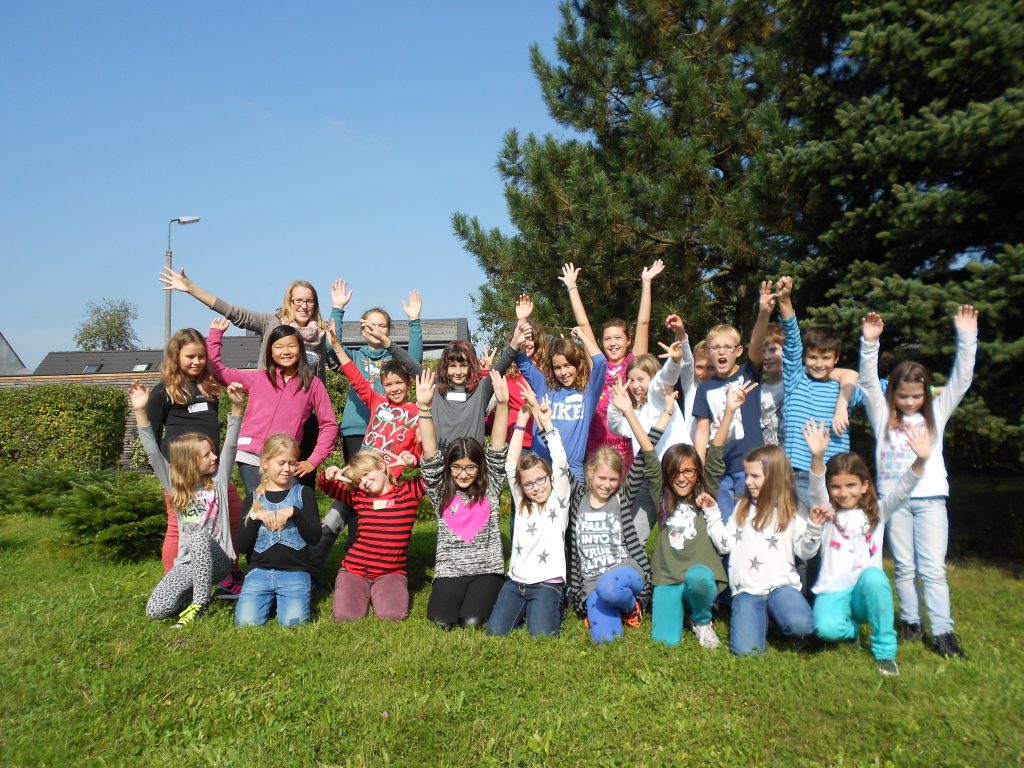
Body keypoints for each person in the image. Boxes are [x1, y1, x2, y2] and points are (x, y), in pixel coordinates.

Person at [859, 306, 978, 658]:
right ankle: (911, 623)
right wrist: (870, 343)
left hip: (930, 500)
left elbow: (962, 380)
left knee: (933, 569)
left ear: (926, 395)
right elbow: (868, 381)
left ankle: (943, 632)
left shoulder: (936, 415)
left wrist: (967, 336)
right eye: (903, 396)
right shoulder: (882, 415)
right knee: (904, 567)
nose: (910, 402)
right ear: (892, 394)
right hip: (894, 502)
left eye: (916, 396)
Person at [160, 267, 338, 483]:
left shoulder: (320, 336)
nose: (303, 305)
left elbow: (338, 358)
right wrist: (191, 289)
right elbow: (233, 313)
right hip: (256, 441)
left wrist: (338, 308)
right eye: (298, 300)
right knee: (259, 499)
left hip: (301, 426)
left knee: (299, 493)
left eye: (309, 301)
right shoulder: (270, 328)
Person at [804, 420, 931, 676]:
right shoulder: (827, 513)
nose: (843, 492)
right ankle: (850, 630)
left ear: (864, 486)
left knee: (875, 577)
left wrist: (921, 460)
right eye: (836, 486)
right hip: (834, 589)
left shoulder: (879, 512)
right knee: (826, 629)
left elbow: (903, 490)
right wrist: (817, 457)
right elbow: (816, 489)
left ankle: (885, 653)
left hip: (865, 592)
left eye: (850, 485)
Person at [702, 385, 820, 656]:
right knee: (747, 651)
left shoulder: (791, 510)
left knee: (802, 624)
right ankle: (759, 619)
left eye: (755, 476)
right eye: (747, 475)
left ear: (774, 477)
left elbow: (805, 551)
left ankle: (781, 617)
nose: (748, 482)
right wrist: (712, 512)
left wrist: (814, 527)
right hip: (748, 592)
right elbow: (724, 544)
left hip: (782, 587)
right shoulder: (742, 509)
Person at [130, 379, 244, 629]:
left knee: (199, 538)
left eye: (213, 452)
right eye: (207, 454)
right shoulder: (175, 485)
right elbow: (152, 452)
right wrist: (140, 411)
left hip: (220, 559)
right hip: (188, 563)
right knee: (156, 610)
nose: (214, 456)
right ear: (191, 461)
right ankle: (191, 596)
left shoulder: (219, 481)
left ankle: (200, 606)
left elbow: (231, 445)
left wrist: (236, 408)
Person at [567, 381, 673, 644]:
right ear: (590, 473)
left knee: (610, 588)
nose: (607, 485)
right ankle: (611, 609)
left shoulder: (621, 498)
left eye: (613, 479)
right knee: (606, 640)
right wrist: (544, 423)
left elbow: (645, 455)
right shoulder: (578, 498)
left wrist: (658, 414)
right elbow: (560, 463)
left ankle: (631, 607)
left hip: (626, 572)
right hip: (593, 582)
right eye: (602, 478)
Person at [145, 328, 242, 582]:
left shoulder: (209, 387)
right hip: (182, 473)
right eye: (190, 356)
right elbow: (152, 435)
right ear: (175, 356)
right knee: (179, 526)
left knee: (233, 516)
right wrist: (170, 470)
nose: (197, 361)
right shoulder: (163, 391)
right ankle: (174, 581)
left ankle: (228, 576)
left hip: (212, 468)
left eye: (201, 356)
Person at [417, 369, 510, 630]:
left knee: (471, 621)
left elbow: (497, 448)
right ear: (449, 468)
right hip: (450, 571)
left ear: (480, 468)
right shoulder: (441, 490)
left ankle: (498, 591)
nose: (463, 474)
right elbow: (430, 454)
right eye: (457, 468)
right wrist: (425, 408)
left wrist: (503, 405)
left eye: (470, 468)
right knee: (441, 621)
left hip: (487, 571)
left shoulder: (491, 486)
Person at [206, 318, 338, 495]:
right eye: (279, 347)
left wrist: (313, 461)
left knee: (286, 505)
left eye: (291, 346)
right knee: (259, 502)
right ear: (271, 352)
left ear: (300, 349)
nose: (286, 351)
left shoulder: (313, 385)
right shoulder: (258, 378)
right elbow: (218, 372)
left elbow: (329, 425)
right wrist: (216, 335)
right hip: (249, 455)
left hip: (284, 459)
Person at [558, 260, 665, 468]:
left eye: (618, 338)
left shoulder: (634, 364)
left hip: (628, 447)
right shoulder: (598, 365)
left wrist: (646, 282)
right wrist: (572, 287)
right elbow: (583, 325)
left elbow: (643, 322)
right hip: (596, 447)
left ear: (628, 340)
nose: (613, 343)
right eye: (607, 339)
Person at [487, 383, 572, 638]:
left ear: (550, 478)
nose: (536, 487)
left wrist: (546, 424)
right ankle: (526, 608)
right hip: (516, 582)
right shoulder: (522, 500)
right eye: (529, 484)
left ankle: (554, 605)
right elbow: (511, 464)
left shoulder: (558, 499)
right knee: (495, 633)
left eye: (541, 480)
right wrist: (521, 422)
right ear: (522, 487)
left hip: (547, 584)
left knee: (542, 637)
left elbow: (561, 462)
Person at [774, 275, 862, 513]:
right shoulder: (796, 379)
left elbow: (887, 389)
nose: (819, 364)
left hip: (837, 475)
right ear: (805, 358)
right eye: (813, 357)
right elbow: (792, 339)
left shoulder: (845, 389)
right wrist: (785, 300)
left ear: (836, 358)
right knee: (804, 532)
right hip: (798, 473)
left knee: (834, 531)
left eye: (826, 358)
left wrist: (933, 390)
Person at [691, 281, 773, 522]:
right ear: (709, 352)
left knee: (755, 523)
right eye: (716, 347)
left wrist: (764, 313)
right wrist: (699, 471)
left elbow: (757, 344)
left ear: (738, 351)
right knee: (726, 526)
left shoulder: (748, 373)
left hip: (753, 466)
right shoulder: (705, 388)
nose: (721, 352)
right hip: (720, 472)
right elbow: (702, 433)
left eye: (728, 347)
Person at [317, 449, 425, 622]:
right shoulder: (359, 497)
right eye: (358, 481)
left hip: (391, 573)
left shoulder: (408, 492)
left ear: (381, 467)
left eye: (366, 474)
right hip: (355, 571)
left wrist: (416, 462)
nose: (364, 482)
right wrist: (327, 477)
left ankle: (379, 592)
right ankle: (355, 589)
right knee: (347, 617)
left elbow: (436, 477)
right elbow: (326, 487)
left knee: (393, 616)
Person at [606, 340, 691, 543]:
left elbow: (666, 377)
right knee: (634, 535)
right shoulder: (636, 412)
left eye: (641, 379)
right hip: (648, 478)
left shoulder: (658, 396)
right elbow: (616, 425)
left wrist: (675, 361)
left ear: (652, 379)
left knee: (677, 532)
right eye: (631, 380)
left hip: (676, 474)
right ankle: (633, 563)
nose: (636, 385)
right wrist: (617, 404)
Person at [234, 435, 322, 627]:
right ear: (265, 463)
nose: (287, 468)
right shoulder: (252, 499)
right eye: (281, 463)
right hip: (259, 573)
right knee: (245, 623)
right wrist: (256, 517)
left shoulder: (304, 494)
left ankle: (298, 590)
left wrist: (296, 513)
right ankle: (272, 599)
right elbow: (242, 545)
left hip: (295, 572)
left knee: (293, 623)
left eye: (292, 463)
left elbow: (315, 537)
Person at [650, 439, 728, 649]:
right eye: (675, 471)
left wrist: (728, 418)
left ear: (698, 474)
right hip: (668, 578)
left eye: (688, 471)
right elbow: (649, 457)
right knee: (665, 641)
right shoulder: (661, 496)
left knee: (698, 577)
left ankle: (702, 621)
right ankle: (683, 610)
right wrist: (631, 419)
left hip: (699, 577)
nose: (681, 478)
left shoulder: (705, 495)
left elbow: (715, 457)